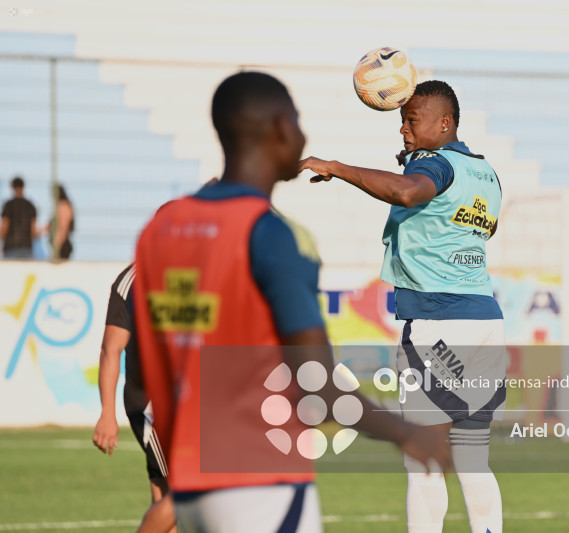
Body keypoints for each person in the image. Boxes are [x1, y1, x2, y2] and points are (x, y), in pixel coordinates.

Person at [133, 71, 451, 533]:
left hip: (190, 484)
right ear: (281, 129)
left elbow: (146, 368)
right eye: (298, 121)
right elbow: (316, 383)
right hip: (260, 483)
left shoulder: (161, 229)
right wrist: (406, 433)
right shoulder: (273, 235)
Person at [300, 80, 506, 533]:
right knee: (473, 457)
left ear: (444, 123)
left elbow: (407, 193)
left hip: (439, 323)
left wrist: (337, 167)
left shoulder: (435, 166)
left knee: (423, 456)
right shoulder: (485, 172)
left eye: (412, 121)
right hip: (486, 322)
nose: (403, 131)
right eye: (401, 122)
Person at [92, 263, 176, 533]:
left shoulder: (202, 266)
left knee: (163, 491)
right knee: (188, 490)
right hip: (153, 406)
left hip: (192, 405)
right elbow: (111, 349)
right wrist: (107, 413)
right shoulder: (132, 280)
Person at [1, 176, 38, 259]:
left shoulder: (8, 205)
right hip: (27, 248)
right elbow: (33, 232)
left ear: (12, 187)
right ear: (23, 187)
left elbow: (4, 226)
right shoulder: (30, 206)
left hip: (10, 248)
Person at [47, 183, 75, 260]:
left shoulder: (63, 206)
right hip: (60, 244)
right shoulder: (62, 205)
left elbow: (63, 227)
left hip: (61, 245)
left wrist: (57, 246)